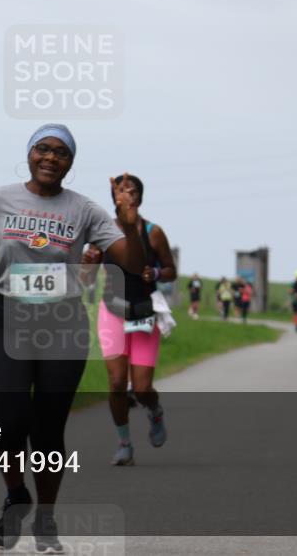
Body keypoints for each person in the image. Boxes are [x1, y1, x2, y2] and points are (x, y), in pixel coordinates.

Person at [0, 124, 145, 553]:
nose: (50, 157)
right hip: (9, 319)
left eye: (61, 153)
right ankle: (15, 494)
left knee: (47, 430)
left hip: (63, 325)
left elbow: (131, 264)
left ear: (70, 163)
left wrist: (130, 227)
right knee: (7, 423)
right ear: (29, 154)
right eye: (43, 148)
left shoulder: (86, 210)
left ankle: (46, 519)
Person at [80, 174, 177, 467]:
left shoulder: (154, 232)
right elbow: (85, 281)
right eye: (122, 191)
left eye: (133, 191)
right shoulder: (102, 232)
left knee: (143, 387)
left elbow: (171, 269)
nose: (128, 196)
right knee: (117, 382)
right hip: (112, 312)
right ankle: (124, 443)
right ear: (114, 198)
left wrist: (157, 274)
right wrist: (88, 262)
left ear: (140, 198)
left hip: (145, 311)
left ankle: (154, 410)